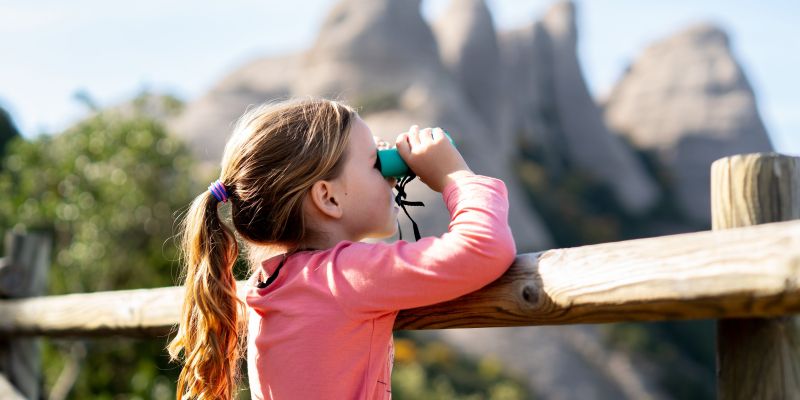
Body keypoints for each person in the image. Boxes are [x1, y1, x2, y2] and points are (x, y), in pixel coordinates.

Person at [167, 98, 516, 399]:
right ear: (328, 197)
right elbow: (484, 247)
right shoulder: (343, 276)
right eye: (374, 161)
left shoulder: (271, 283)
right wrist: (455, 175)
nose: (391, 174)